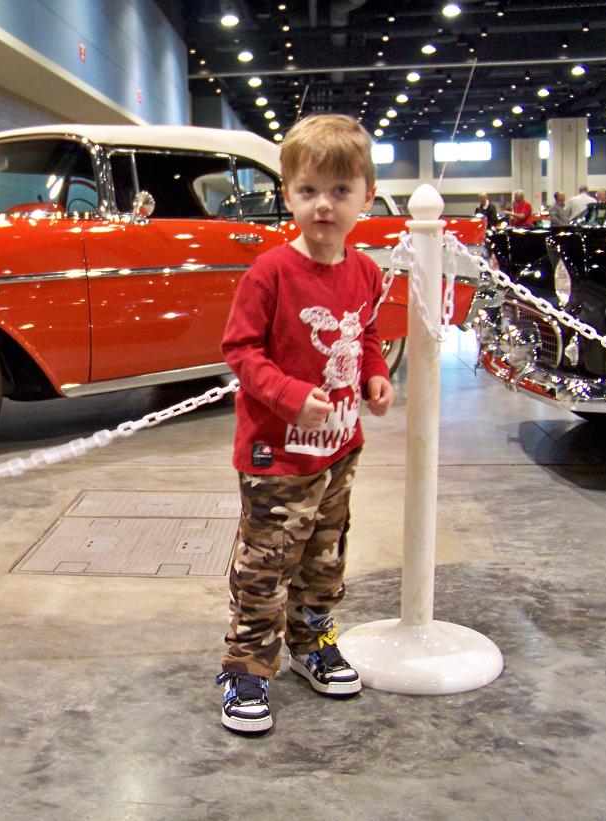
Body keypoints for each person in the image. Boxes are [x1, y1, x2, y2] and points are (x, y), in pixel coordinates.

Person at [216, 114, 395, 735]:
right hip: (276, 456)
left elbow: (367, 334)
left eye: (340, 191)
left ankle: (314, 643)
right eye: (309, 190)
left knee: (325, 555)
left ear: (366, 198)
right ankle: (247, 666)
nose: (324, 205)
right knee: (267, 562)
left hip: (339, 448)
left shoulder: (366, 272)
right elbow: (241, 350)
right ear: (288, 194)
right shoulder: (269, 272)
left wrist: (374, 375)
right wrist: (290, 396)